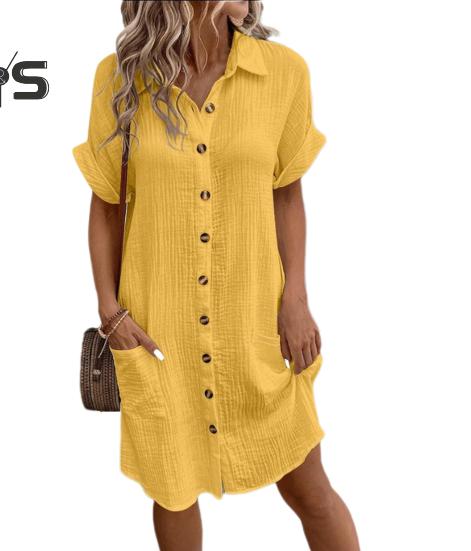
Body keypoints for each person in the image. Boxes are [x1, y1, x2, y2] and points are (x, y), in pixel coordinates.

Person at [73, 1, 359, 549]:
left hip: (254, 324)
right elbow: (106, 204)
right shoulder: (122, 77)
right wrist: (110, 311)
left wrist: (296, 301)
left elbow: (286, 194)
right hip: (160, 330)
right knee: (172, 490)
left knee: (309, 489)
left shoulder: (283, 72)